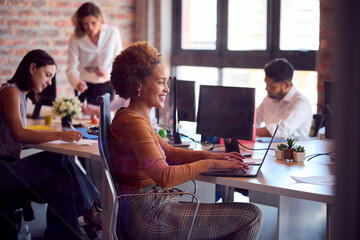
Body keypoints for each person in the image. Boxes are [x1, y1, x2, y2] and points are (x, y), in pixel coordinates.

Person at [108, 41, 263, 239]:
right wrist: (208, 163)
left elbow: (170, 153)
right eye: (160, 82)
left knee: (240, 217)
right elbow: (165, 176)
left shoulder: (134, 117)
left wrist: (214, 156)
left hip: (148, 209)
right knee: (251, 216)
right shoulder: (134, 123)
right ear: (138, 84)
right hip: (149, 216)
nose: (167, 89)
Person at [0, 49, 100, 240]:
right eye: (47, 75)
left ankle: (65, 235)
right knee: (58, 157)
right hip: (3, 171)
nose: (49, 82)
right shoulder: (10, 92)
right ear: (32, 68)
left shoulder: (20, 95)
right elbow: (19, 134)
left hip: (11, 168)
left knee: (60, 182)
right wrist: (59, 134)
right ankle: (91, 210)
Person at [66, 1, 124, 108]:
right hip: (86, 87)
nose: (90, 27)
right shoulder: (75, 38)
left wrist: (108, 72)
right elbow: (71, 68)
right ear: (80, 23)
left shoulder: (113, 33)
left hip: (107, 86)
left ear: (100, 19)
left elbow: (120, 62)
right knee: (86, 121)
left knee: (106, 119)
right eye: (85, 24)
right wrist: (77, 82)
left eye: (93, 23)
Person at [256, 58, 312, 139]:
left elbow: (281, 130)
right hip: (267, 148)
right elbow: (255, 119)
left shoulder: (301, 102)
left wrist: (251, 132)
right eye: (266, 84)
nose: (266, 88)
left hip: (292, 150)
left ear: (286, 85)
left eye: (272, 87)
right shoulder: (269, 98)